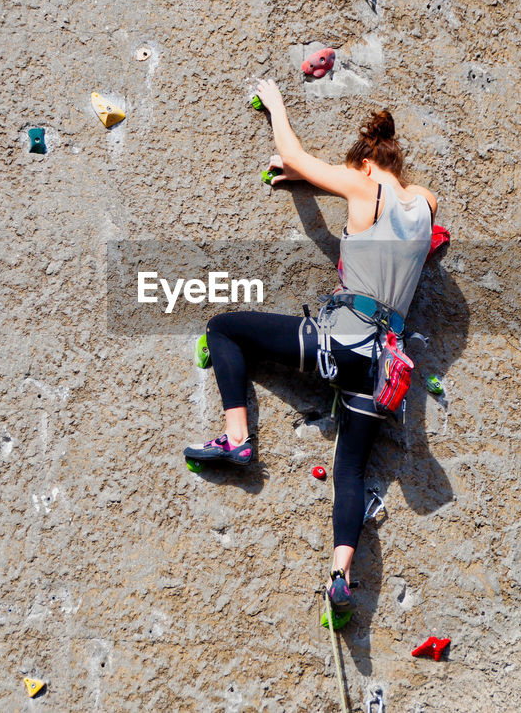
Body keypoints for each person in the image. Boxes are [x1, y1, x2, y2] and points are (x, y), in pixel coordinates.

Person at [184, 78, 437, 616]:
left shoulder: (366, 186)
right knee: (350, 471)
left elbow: (295, 153)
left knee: (225, 327)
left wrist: (275, 103)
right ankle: (339, 577)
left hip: (343, 342)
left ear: (364, 166)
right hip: (384, 370)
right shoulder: (427, 204)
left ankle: (236, 440)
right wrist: (304, 177)